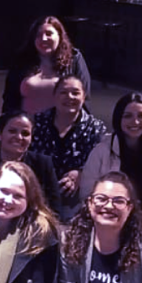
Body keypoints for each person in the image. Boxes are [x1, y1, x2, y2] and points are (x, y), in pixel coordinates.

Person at [79, 94, 142, 231]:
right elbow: (87, 194)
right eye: (128, 116)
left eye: (141, 116)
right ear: (118, 118)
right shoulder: (102, 151)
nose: (135, 122)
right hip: (104, 227)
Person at [28, 76, 107, 215]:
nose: (69, 97)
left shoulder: (96, 128)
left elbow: (101, 164)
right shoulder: (37, 122)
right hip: (37, 192)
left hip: (75, 198)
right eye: (63, 92)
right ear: (54, 96)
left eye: (75, 93)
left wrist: (81, 173)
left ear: (84, 97)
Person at [0, 111, 61, 212]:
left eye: (25, 133)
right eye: (12, 131)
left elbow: (54, 207)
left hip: (31, 221)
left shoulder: (43, 164)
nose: (19, 137)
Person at [1, 16, 91, 115]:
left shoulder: (74, 59)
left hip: (62, 126)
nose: (43, 39)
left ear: (59, 35)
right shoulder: (22, 60)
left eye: (49, 34)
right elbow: (9, 99)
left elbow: (84, 98)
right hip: (27, 125)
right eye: (38, 35)